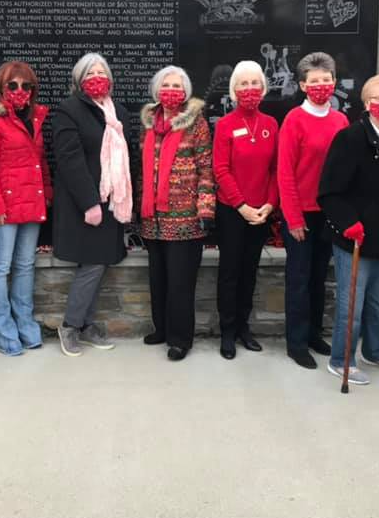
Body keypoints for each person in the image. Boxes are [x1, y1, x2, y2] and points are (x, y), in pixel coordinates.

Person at [319, 72, 379, 386]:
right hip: (356, 236)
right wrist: (348, 223)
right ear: (366, 103)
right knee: (353, 305)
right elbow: (329, 191)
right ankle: (341, 359)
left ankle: (375, 351)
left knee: (378, 303)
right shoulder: (350, 138)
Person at [52, 53, 132, 357]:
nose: (97, 77)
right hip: (84, 204)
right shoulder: (68, 111)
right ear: (79, 79)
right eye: (90, 72)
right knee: (93, 263)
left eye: (102, 71)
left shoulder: (118, 113)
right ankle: (71, 326)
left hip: (113, 202)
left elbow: (127, 160)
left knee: (100, 264)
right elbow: (70, 161)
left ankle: (83, 324)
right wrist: (89, 203)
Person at [277, 52, 349, 369]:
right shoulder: (294, 119)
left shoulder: (340, 120)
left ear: (333, 83)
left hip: (328, 213)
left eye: (326, 80)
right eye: (314, 81)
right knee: (299, 278)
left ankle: (314, 333)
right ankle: (296, 341)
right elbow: (285, 172)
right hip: (301, 214)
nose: (321, 85)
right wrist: (293, 217)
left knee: (320, 277)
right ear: (304, 85)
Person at [0, 61, 52, 356]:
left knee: (25, 266)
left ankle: (26, 326)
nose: (20, 91)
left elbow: (40, 160)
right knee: (1, 267)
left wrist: (47, 190)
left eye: (26, 85)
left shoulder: (35, 118)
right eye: (13, 85)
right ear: (1, 88)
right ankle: (5, 333)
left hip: (31, 203)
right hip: (4, 208)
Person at [139, 65, 215, 361]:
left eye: (177, 85)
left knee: (181, 283)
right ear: (157, 91)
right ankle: (162, 328)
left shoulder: (197, 123)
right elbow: (142, 167)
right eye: (166, 85)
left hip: (186, 218)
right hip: (153, 220)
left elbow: (206, 168)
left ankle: (180, 338)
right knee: (158, 280)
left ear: (185, 92)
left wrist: (205, 207)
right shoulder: (147, 122)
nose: (171, 91)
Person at [212, 60, 279, 360]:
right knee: (229, 273)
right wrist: (241, 206)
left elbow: (276, 170)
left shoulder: (271, 124)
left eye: (255, 84)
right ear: (234, 89)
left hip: (261, 212)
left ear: (263, 89)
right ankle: (226, 330)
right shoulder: (225, 125)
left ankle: (243, 327)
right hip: (232, 211)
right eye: (243, 84)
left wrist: (268, 204)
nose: (249, 90)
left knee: (249, 272)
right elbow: (220, 170)